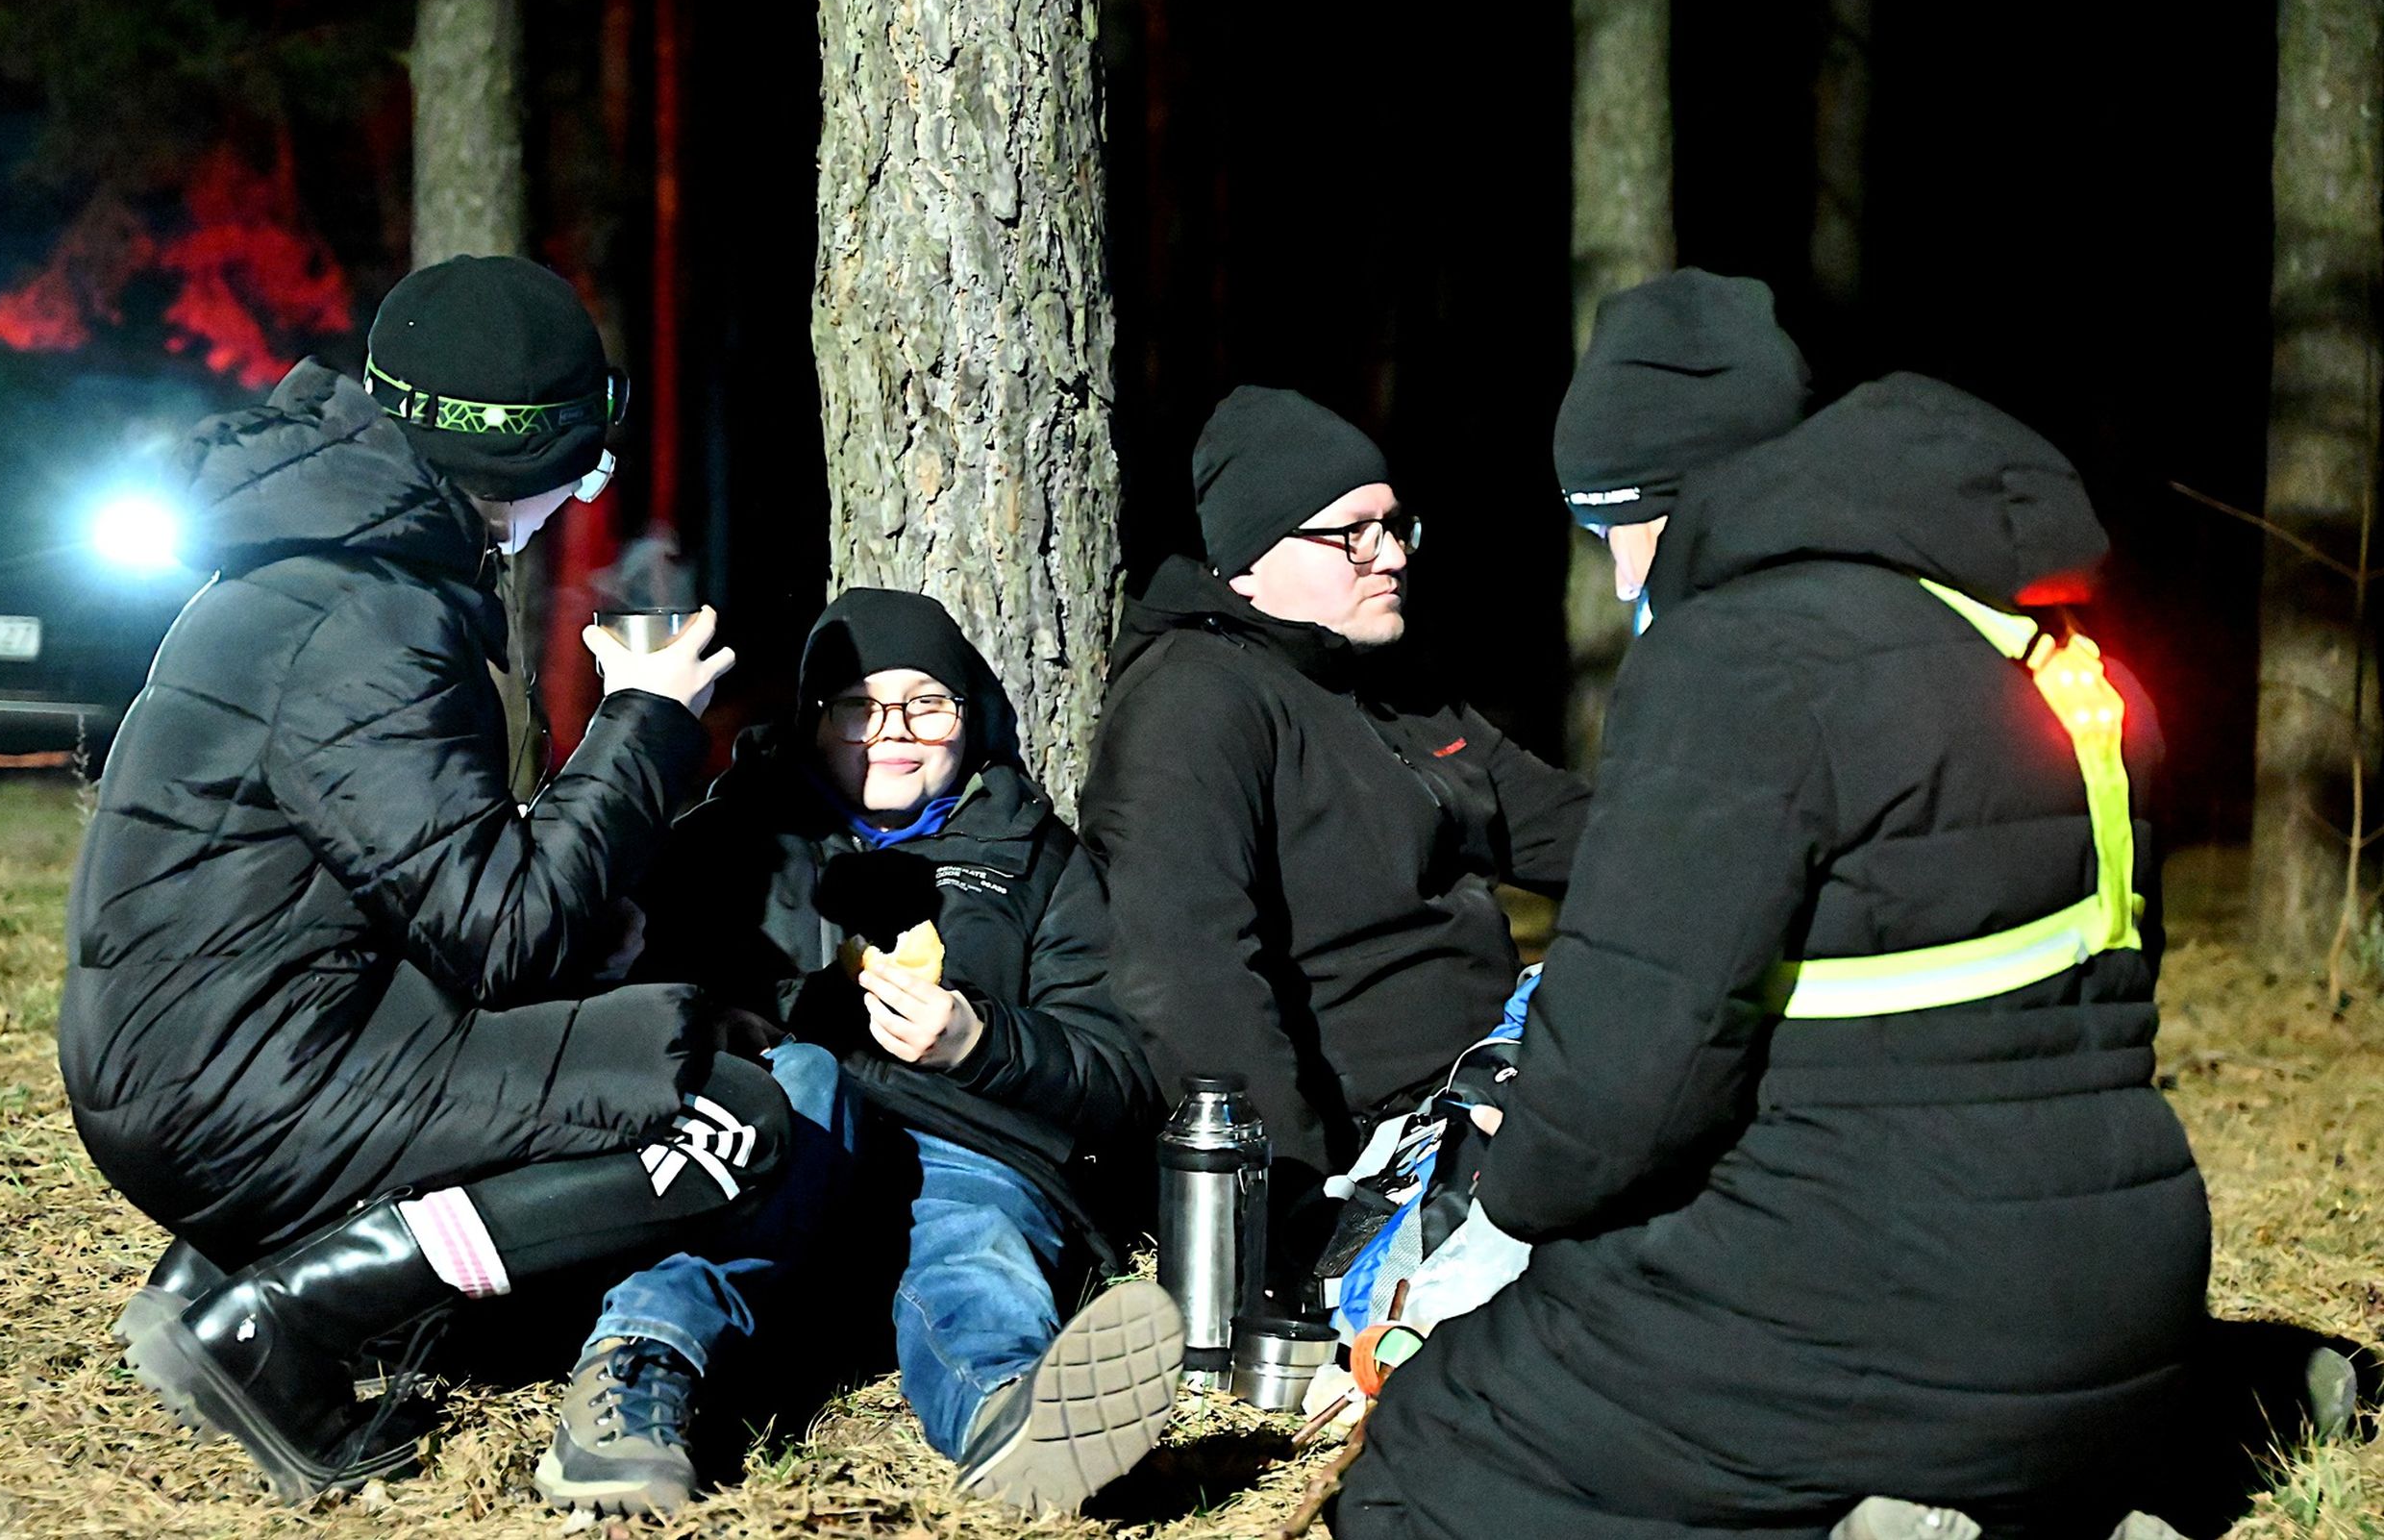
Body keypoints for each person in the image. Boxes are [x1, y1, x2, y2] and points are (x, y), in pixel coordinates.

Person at [1338, 270, 2211, 1540]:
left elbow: (1621, 1087)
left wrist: (1509, 1197)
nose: (1619, 574)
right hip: (2129, 1295)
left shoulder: (1737, 660)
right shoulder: (2053, 645)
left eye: (1613, 525)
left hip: (1875, 1295)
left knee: (1424, 1460)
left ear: (1678, 500)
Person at [60, 255, 794, 1502]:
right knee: (727, 1120)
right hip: (231, 1087)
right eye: (584, 468)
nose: (582, 499)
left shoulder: (325, 563)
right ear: (523, 456)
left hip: (201, 1057)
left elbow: (428, 882)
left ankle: (207, 1281)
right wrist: (646, 718)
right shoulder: (374, 616)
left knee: (617, 1025)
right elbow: (506, 932)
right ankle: (274, 1325)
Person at [534, 588, 1178, 1520]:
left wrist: (980, 1042)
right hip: (782, 1147)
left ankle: (1010, 1417)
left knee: (975, 1245)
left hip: (964, 1147)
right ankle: (633, 1379)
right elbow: (627, 995)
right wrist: (736, 1020)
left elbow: (1118, 1073)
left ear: (969, 716)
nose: (894, 731)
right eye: (858, 707)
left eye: (927, 704)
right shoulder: (730, 840)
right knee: (798, 1084)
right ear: (812, 717)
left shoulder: (1036, 858)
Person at [1075, 385, 1592, 1304]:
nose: (1390, 555)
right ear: (1249, 562)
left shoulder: (1391, 690)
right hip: (1385, 1140)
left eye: (1394, 527)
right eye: (1352, 534)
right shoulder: (1195, 705)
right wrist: (1294, 1208)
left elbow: (1586, 836)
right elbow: (1189, 973)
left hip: (1510, 1056)